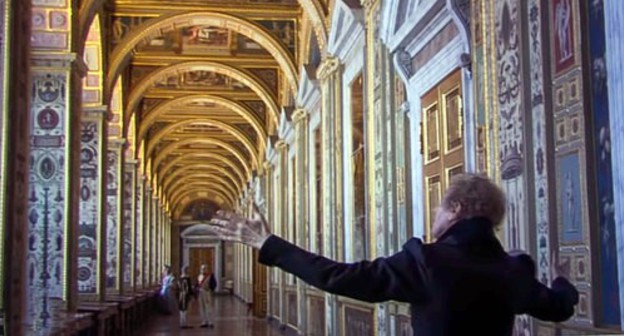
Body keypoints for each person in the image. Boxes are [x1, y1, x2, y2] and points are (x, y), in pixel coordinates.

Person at [209, 173, 579, 336]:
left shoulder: (428, 263)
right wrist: (563, 279)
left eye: (440, 207)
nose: (433, 215)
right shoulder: (512, 270)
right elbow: (559, 305)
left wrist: (267, 243)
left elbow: (337, 277)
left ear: (457, 209)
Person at [196, 264, 217, 328]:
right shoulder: (199, 276)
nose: (203, 270)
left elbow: (214, 284)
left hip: (207, 292)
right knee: (202, 307)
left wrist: (211, 289)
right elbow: (197, 284)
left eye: (204, 269)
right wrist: (196, 289)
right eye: (202, 269)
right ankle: (204, 321)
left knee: (208, 307)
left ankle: (210, 321)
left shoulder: (210, 276)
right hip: (200, 292)